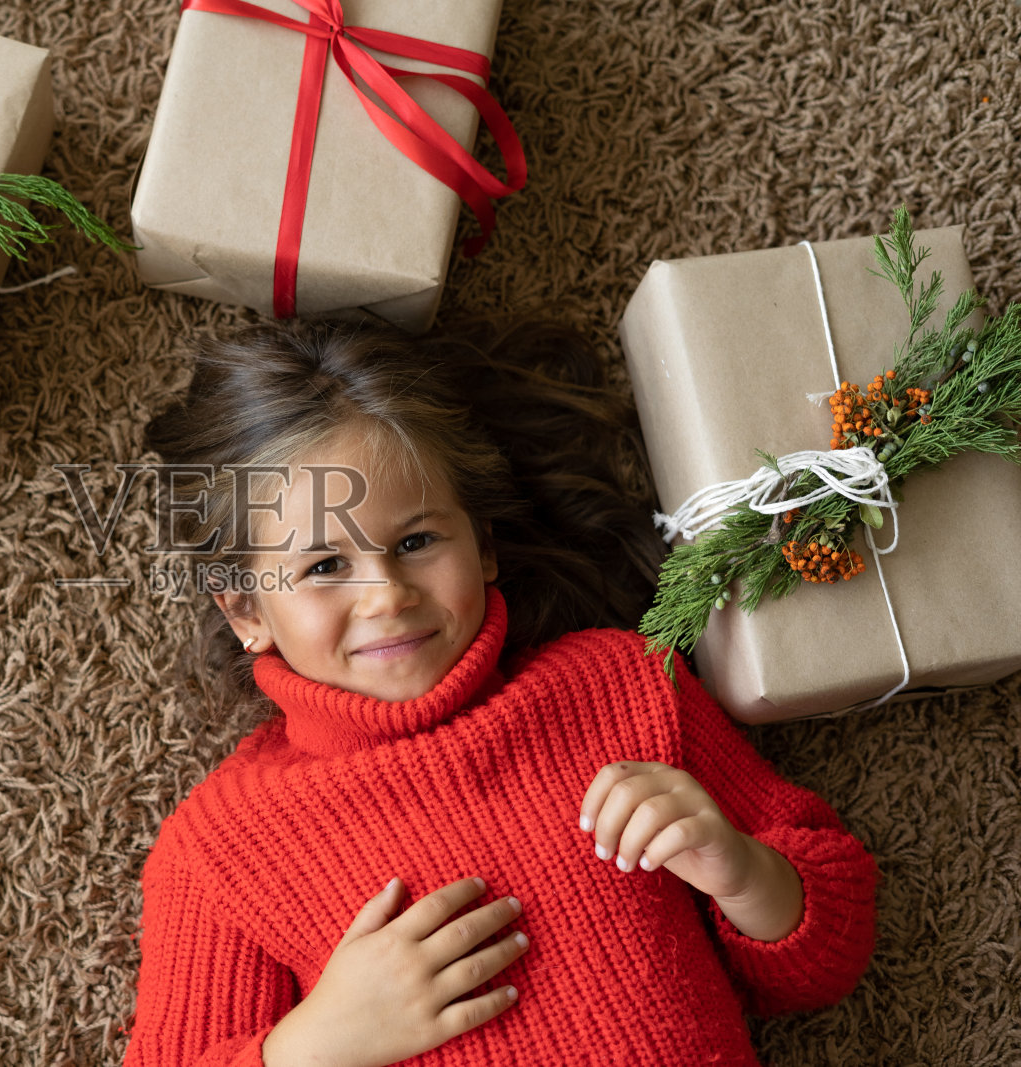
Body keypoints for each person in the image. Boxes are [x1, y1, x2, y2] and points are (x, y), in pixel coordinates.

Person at [123, 319, 877, 1067]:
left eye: (416, 542)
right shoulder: (221, 846)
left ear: (482, 544)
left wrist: (741, 870)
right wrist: (314, 1044)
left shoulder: (621, 684)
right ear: (247, 610)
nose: (385, 595)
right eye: (323, 566)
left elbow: (829, 951)